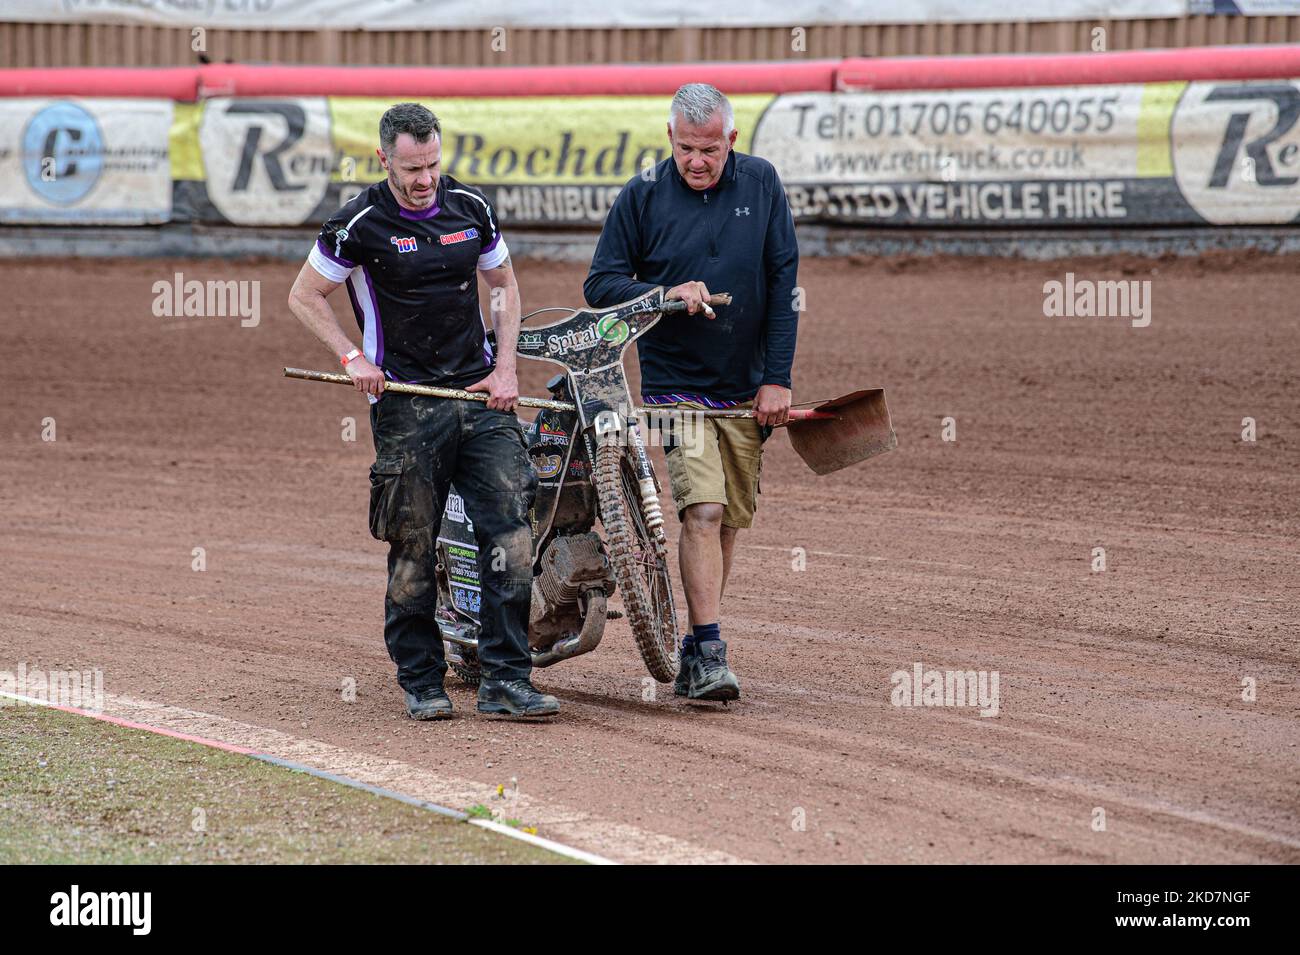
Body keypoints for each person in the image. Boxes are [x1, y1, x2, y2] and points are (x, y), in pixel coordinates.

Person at [288, 102, 559, 720]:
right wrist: (353, 356)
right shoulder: (357, 222)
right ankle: (422, 680)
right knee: (412, 542)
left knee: (513, 534)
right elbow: (304, 295)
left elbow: (506, 286)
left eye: (433, 164)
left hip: (479, 396)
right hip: (409, 406)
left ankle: (506, 679)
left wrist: (507, 367)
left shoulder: (472, 208)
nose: (424, 179)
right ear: (384, 158)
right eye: (411, 168)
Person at [583, 83, 799, 702]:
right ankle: (710, 652)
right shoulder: (643, 196)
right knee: (701, 511)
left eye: (709, 149)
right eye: (685, 149)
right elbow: (600, 284)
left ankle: (694, 647)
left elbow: (784, 284)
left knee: (727, 521)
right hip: (675, 387)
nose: (697, 161)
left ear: (731, 140)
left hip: (745, 387)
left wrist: (777, 378)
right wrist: (664, 296)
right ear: (669, 138)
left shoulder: (761, 184)